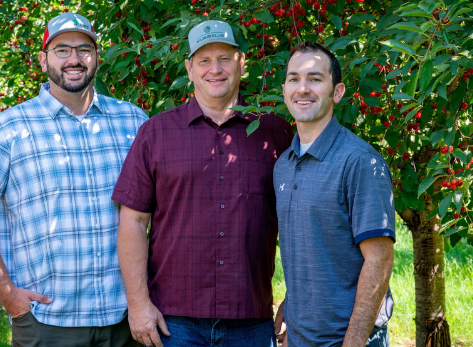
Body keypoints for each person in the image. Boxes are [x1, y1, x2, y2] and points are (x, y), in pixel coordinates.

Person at [0, 12, 146, 347]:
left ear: (97, 57)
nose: (74, 59)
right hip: (48, 321)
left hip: (128, 318)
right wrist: (10, 297)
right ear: (44, 60)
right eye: (62, 50)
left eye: (84, 49)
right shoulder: (8, 129)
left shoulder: (133, 121)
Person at [112, 20, 294, 347]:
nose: (215, 69)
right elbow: (134, 221)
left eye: (224, 58)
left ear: (241, 63)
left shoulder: (275, 133)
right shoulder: (155, 134)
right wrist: (138, 304)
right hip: (174, 321)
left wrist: (296, 295)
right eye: (204, 60)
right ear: (189, 68)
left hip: (250, 317)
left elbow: (299, 222)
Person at [273, 40, 395, 347]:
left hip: (351, 338)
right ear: (284, 89)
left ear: (337, 92)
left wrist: (352, 343)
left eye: (315, 79)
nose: (302, 88)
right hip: (301, 338)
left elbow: (379, 260)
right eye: (294, 79)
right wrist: (293, 310)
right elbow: (313, 246)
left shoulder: (359, 162)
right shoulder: (283, 166)